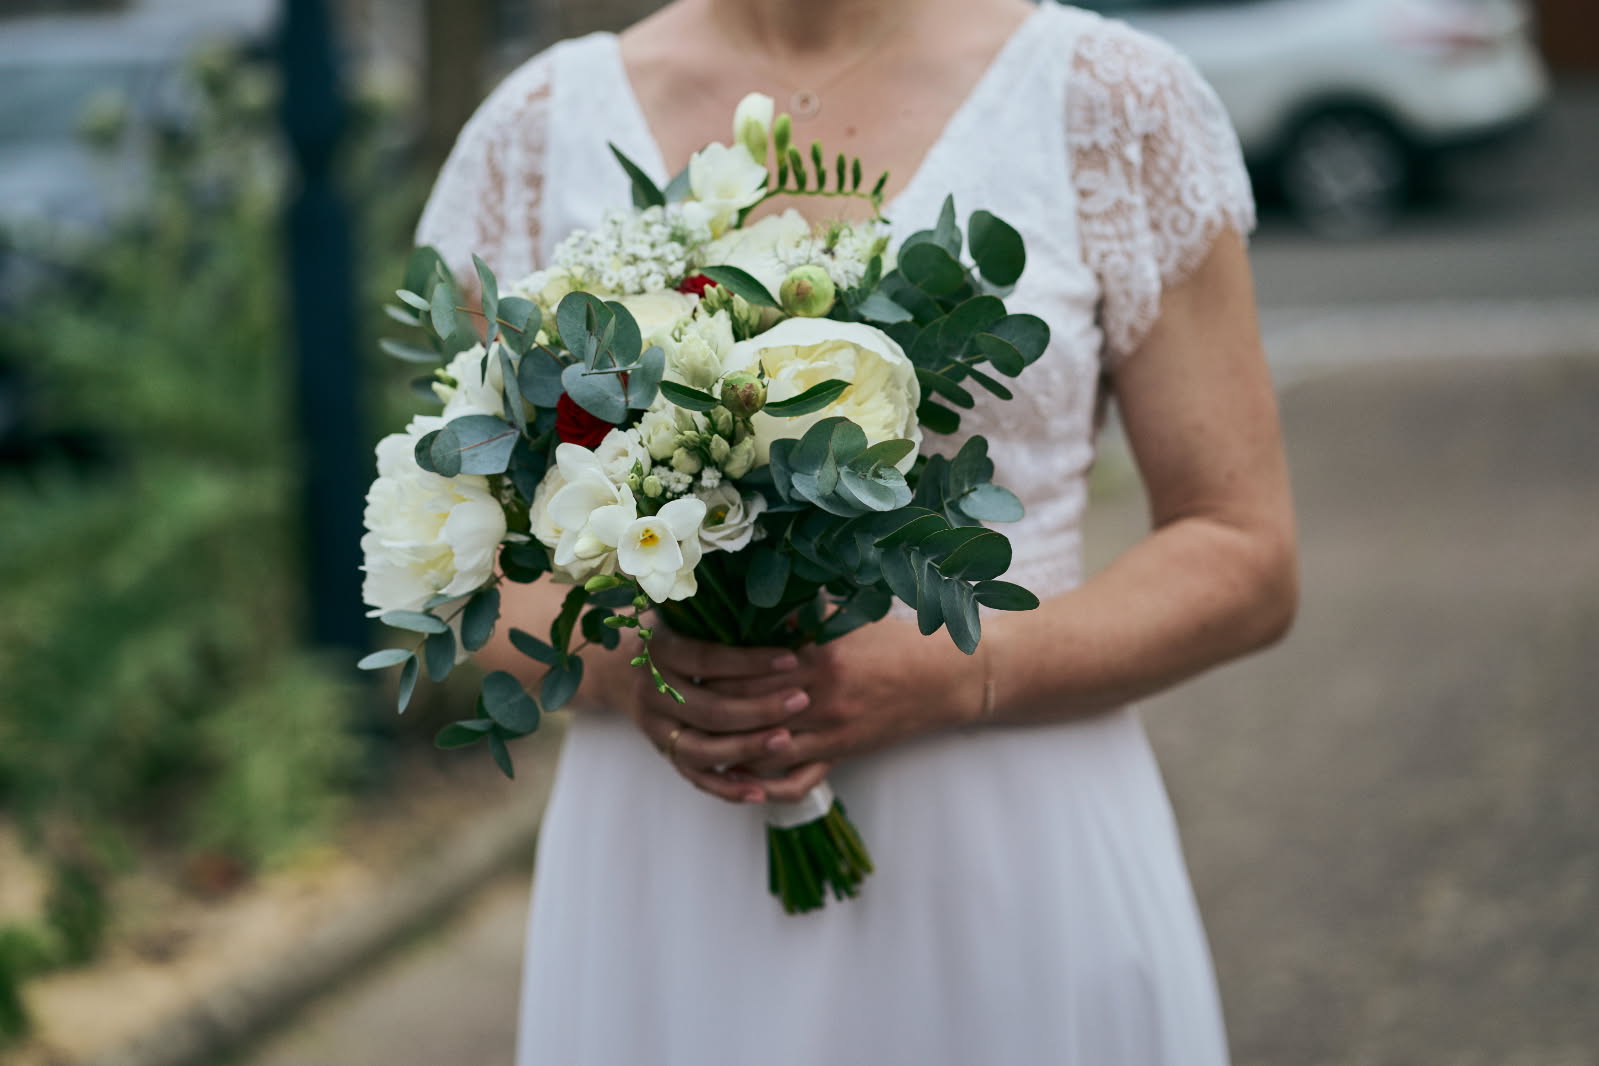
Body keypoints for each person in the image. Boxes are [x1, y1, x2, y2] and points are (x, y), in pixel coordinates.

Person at [416, 0, 1297, 1062]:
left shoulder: (1112, 103)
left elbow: (1242, 550)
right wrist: (631, 670)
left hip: (1008, 839)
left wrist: (960, 671)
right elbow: (456, 550)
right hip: (670, 859)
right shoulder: (538, 128)